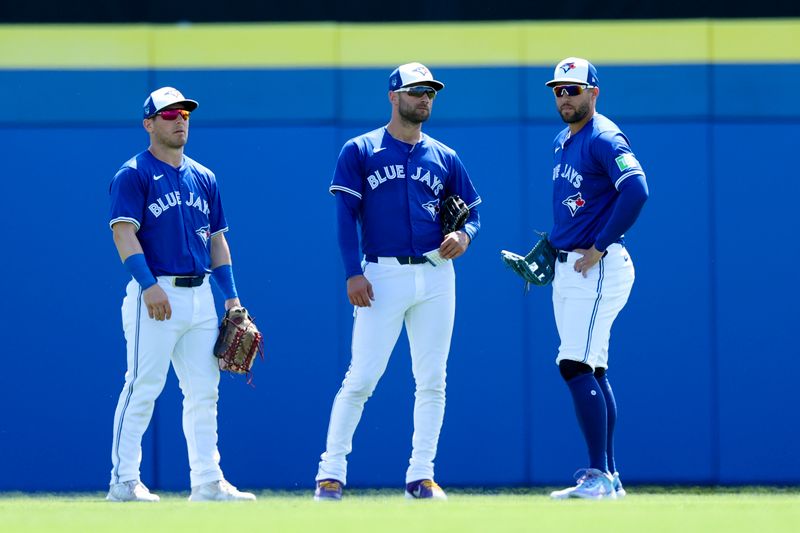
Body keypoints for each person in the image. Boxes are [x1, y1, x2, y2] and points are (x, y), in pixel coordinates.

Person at [313, 63, 482, 501]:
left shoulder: (444, 156)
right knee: (362, 377)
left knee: (432, 379)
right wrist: (353, 271)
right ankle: (330, 474)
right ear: (393, 96)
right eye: (415, 91)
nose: (424, 98)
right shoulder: (361, 149)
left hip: (436, 273)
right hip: (380, 274)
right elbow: (344, 216)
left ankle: (420, 476)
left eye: (430, 92)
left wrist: (464, 234)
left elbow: (473, 213)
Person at [106, 87, 256, 502]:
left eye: (184, 113)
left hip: (201, 295)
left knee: (204, 390)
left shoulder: (204, 177)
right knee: (143, 385)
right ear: (149, 123)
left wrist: (231, 299)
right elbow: (124, 233)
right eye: (169, 114)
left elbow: (217, 242)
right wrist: (148, 284)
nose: (179, 120)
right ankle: (123, 481)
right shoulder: (133, 174)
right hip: (156, 293)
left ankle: (207, 481)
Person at [543, 58, 649, 499]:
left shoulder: (604, 136)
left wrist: (600, 243)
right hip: (571, 266)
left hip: (597, 266)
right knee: (592, 368)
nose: (565, 96)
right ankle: (609, 476)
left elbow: (637, 188)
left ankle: (598, 476)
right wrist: (553, 246)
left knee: (573, 364)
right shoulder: (564, 141)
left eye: (574, 89)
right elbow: (579, 203)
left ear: (594, 93)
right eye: (559, 89)